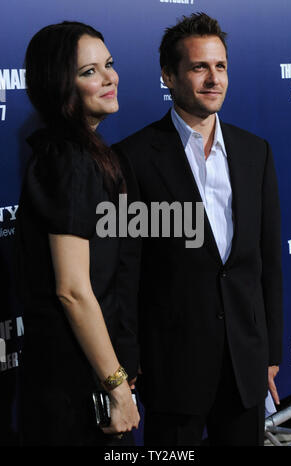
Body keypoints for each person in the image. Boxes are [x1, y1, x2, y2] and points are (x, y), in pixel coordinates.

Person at [113, 13, 283, 446]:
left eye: (220, 66)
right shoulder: (132, 158)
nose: (213, 79)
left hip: (245, 366)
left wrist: (270, 353)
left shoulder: (254, 152)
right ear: (168, 76)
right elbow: (126, 272)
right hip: (173, 370)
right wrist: (127, 362)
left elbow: (266, 262)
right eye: (199, 67)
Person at [15, 21, 140, 446]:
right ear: (59, 86)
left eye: (108, 64)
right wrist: (117, 385)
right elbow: (72, 289)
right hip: (71, 391)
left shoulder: (81, 153)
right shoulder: (68, 160)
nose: (109, 78)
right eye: (89, 71)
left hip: (79, 379)